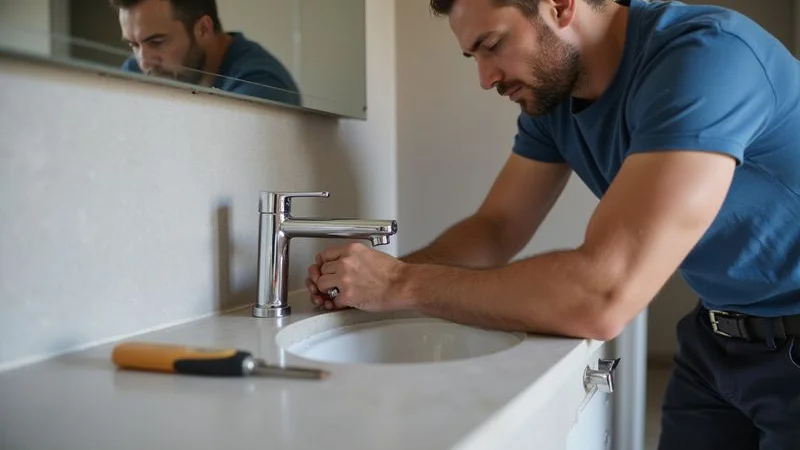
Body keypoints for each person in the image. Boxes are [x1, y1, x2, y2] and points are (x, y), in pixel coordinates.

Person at [306, 0, 800, 448]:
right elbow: (496, 227)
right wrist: (374, 279)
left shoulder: (706, 57)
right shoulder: (553, 100)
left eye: (492, 45)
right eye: (473, 57)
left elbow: (603, 295)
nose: (485, 78)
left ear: (560, 6)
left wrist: (400, 283)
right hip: (716, 336)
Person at [110, 0, 301, 106]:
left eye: (157, 42)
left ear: (202, 29)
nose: (144, 63)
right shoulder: (135, 71)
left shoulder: (261, 87)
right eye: (134, 45)